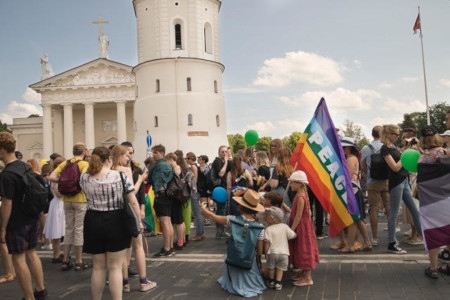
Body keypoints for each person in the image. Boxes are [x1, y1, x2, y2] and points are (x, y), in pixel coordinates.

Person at [79, 147, 148, 299]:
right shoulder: (119, 176)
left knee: (98, 267)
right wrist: (138, 221)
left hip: (92, 219)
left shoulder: (84, 177)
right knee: (115, 267)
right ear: (109, 159)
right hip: (116, 220)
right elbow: (133, 201)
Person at [0, 132, 48, 299]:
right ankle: (41, 290)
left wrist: (2, 228)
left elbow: (7, 203)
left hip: (17, 220)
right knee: (32, 253)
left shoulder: (7, 174)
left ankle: (29, 297)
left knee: (18, 259)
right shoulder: (24, 166)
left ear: (2, 151)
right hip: (32, 215)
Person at [200, 189, 266, 298]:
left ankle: (232, 282)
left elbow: (213, 217)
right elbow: (259, 250)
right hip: (248, 260)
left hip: (233, 258)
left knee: (229, 259)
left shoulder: (232, 220)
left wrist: (203, 208)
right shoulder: (260, 228)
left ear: (241, 206)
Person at [111, 145, 154, 292]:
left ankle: (125, 283)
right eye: (126, 155)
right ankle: (143, 281)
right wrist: (141, 179)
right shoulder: (125, 170)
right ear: (119, 156)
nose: (129, 157)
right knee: (138, 247)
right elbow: (132, 193)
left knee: (123, 249)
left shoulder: (109, 171)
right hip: (128, 210)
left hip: (115, 212)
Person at [48, 142, 90, 271]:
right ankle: (78, 261)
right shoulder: (84, 164)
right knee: (79, 229)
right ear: (83, 152)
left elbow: (51, 177)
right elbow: (85, 179)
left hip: (67, 199)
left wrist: (62, 181)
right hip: (80, 199)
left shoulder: (65, 163)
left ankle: (66, 260)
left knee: (68, 229)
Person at [380, 124, 422, 254]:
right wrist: (405, 154)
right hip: (396, 182)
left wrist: (407, 151)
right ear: (389, 134)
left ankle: (426, 237)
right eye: (396, 134)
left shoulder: (393, 147)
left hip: (404, 181)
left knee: (415, 211)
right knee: (394, 213)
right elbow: (395, 167)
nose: (398, 137)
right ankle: (392, 243)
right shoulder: (385, 149)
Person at [416, 125, 449, 279]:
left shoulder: (422, 158)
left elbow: (420, 183)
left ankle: (433, 268)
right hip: (447, 200)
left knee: (432, 233)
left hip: (430, 203)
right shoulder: (447, 154)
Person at [337, 137, 372, 253]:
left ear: (349, 148)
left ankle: (351, 245)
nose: (342, 149)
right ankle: (367, 242)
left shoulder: (350, 159)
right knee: (358, 219)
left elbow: (348, 175)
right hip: (355, 190)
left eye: (343, 147)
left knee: (353, 219)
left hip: (352, 191)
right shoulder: (353, 158)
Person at [288, 170, 319, 287]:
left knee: (304, 249)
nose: (290, 185)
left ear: (299, 183)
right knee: (300, 249)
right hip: (302, 226)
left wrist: (292, 229)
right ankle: (304, 273)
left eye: (292, 183)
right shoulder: (300, 195)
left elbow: (298, 215)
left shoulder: (301, 197)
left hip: (302, 227)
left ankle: (308, 277)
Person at [361, 126, 390, 247]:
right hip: (386, 180)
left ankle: (374, 237)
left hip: (372, 181)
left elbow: (363, 166)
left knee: (373, 208)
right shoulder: (387, 146)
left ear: (372, 134)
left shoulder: (366, 148)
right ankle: (392, 235)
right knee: (389, 207)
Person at [147, 144, 175, 257]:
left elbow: (151, 180)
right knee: (168, 222)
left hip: (161, 196)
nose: (154, 155)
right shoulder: (168, 165)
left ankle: (167, 248)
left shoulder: (158, 165)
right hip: (168, 195)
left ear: (162, 153)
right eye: (153, 152)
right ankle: (171, 247)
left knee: (165, 223)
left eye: (156, 153)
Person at [263, 206, 297, 291]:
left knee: (271, 268)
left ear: (273, 219)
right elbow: (293, 235)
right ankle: (278, 283)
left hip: (272, 252)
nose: (265, 218)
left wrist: (266, 252)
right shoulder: (284, 226)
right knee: (280, 269)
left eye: (267, 216)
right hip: (284, 253)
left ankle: (271, 281)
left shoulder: (268, 229)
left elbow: (267, 242)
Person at [43, 157, 66, 263]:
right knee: (57, 230)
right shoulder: (57, 177)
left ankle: (57, 254)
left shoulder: (54, 176)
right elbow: (57, 193)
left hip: (56, 204)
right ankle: (56, 254)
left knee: (58, 230)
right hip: (58, 204)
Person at [210, 145, 231, 239]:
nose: (224, 153)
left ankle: (220, 231)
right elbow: (221, 174)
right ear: (219, 153)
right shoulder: (217, 161)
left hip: (223, 188)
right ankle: (220, 231)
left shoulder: (223, 161)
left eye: (226, 151)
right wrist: (226, 161)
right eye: (222, 152)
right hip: (219, 189)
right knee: (221, 210)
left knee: (222, 209)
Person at [186, 152, 204, 241]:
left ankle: (199, 233)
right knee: (197, 213)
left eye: (187, 158)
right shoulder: (195, 166)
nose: (186, 160)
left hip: (194, 192)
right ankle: (200, 233)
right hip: (196, 191)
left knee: (197, 213)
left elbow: (195, 180)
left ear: (190, 159)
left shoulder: (193, 167)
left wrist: (190, 186)